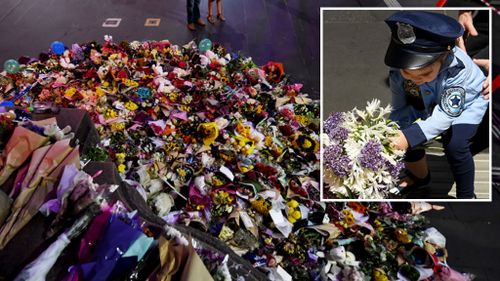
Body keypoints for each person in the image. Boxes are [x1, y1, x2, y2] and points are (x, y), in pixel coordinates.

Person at [385, 11, 489, 199]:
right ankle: (419, 177)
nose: (416, 80)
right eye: (408, 74)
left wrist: (407, 137)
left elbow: (446, 116)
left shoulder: (459, 71)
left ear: (445, 56)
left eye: (425, 74)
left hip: (467, 104)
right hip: (430, 101)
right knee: (400, 129)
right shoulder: (399, 69)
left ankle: (467, 195)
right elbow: (399, 105)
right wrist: (394, 130)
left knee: (456, 145)